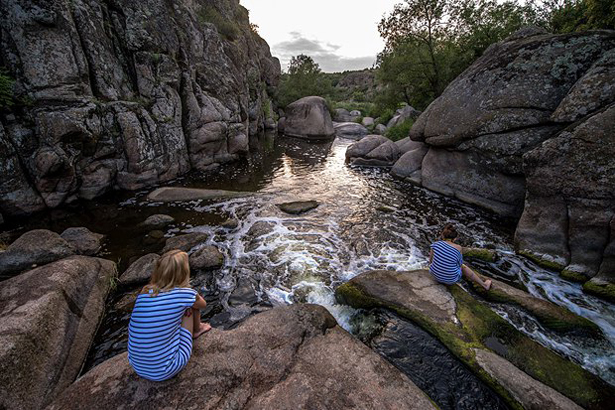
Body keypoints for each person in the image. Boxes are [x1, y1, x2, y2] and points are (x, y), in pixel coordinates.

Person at [128, 249, 211, 381]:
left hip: (137, 366)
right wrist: (191, 298)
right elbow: (203, 305)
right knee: (189, 308)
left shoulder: (145, 292)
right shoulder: (186, 293)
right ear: (184, 273)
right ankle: (198, 329)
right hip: (166, 369)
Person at [429, 224, 492, 290]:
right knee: (463, 266)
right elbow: (459, 264)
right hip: (450, 280)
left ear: (442, 235)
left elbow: (430, 261)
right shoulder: (458, 248)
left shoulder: (435, 245)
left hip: (434, 275)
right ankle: (484, 285)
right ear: (455, 238)